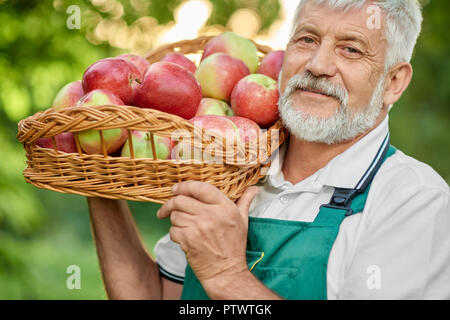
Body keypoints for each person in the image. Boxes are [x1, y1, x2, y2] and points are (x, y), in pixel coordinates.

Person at [87, 0, 450, 300]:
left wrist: (227, 275)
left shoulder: (414, 201)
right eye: (307, 40)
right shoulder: (231, 162)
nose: (317, 66)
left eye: (350, 49)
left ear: (394, 82)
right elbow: (154, 295)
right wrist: (97, 176)